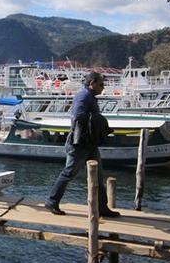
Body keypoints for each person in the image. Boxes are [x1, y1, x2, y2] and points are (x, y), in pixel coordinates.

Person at [45, 72, 120, 218]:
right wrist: (97, 119)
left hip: (89, 143)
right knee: (69, 173)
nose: (103, 88)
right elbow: (78, 115)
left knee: (98, 176)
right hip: (79, 143)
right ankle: (52, 201)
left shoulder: (89, 97)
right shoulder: (83, 96)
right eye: (101, 85)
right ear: (92, 83)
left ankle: (101, 207)